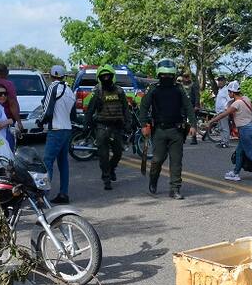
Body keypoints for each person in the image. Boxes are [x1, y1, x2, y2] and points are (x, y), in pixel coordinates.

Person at [139, 59, 196, 199]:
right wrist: (144, 125)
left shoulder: (179, 89)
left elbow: (188, 106)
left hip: (176, 131)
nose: (166, 78)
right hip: (159, 131)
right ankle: (153, 180)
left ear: (173, 75)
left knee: (176, 161)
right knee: (157, 160)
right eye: (164, 75)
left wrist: (193, 125)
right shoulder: (153, 89)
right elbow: (144, 107)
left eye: (169, 75)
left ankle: (175, 189)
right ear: (159, 75)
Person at [207, 81, 252, 185]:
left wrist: (211, 121)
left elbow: (224, 113)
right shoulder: (246, 99)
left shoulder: (236, 104)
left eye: (229, 92)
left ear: (232, 93)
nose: (228, 94)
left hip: (244, 130)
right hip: (251, 127)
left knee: (250, 153)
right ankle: (235, 173)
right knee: (239, 151)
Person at [85, 64, 132, 190]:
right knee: (103, 155)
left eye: (108, 75)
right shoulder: (98, 92)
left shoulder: (120, 91)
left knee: (118, 153)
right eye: (103, 76)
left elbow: (125, 109)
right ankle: (106, 179)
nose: (106, 78)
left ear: (112, 76)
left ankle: (111, 169)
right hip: (102, 127)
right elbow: (90, 110)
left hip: (116, 127)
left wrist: (128, 123)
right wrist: (86, 125)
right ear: (100, 77)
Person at [38, 65, 77, 204]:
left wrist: (40, 121)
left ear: (51, 75)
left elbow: (47, 109)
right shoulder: (69, 91)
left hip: (56, 130)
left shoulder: (53, 87)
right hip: (67, 129)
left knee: (47, 162)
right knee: (63, 163)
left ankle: (43, 195)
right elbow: (73, 114)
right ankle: (63, 193)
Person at [180, 72, 201, 145]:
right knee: (183, 122)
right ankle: (183, 137)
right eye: (184, 77)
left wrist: (197, 105)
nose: (186, 78)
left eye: (187, 76)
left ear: (189, 77)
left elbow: (197, 95)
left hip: (192, 106)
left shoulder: (194, 85)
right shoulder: (180, 85)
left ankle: (194, 138)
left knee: (193, 123)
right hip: (182, 106)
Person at [213, 75, 231, 148]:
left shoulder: (226, 90)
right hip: (219, 112)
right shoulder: (220, 90)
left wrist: (227, 109)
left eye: (221, 80)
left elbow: (230, 100)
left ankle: (226, 142)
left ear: (224, 81)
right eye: (218, 81)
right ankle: (222, 141)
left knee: (224, 128)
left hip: (223, 112)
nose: (219, 82)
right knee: (221, 128)